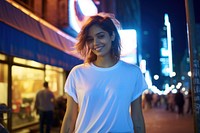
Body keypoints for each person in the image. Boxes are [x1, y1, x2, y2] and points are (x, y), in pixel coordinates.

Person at [60, 13, 147, 133]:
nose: (95, 43)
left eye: (100, 36)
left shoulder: (133, 73)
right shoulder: (77, 73)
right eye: (90, 39)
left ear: (112, 36)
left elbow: (137, 118)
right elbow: (70, 118)